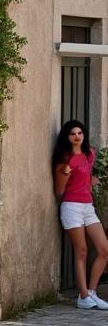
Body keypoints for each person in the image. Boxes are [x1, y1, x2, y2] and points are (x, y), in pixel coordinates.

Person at [52, 119, 108, 310]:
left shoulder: (89, 154)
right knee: (81, 251)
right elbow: (59, 190)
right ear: (67, 138)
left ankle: (92, 291)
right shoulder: (63, 159)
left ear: (83, 135)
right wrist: (69, 167)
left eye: (80, 133)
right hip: (71, 207)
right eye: (72, 134)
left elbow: (86, 175)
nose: (77, 137)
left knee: (104, 249)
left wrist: (90, 180)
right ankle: (83, 296)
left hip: (88, 207)